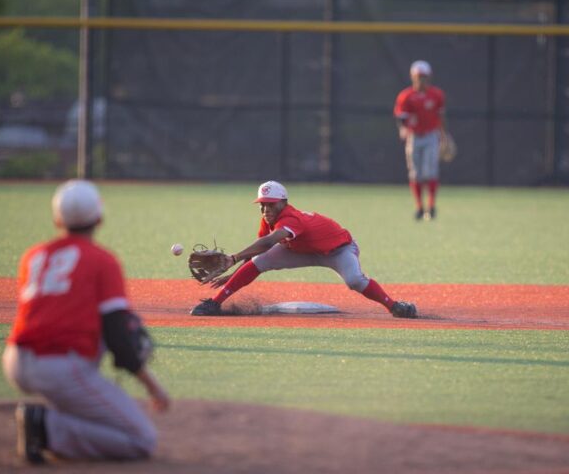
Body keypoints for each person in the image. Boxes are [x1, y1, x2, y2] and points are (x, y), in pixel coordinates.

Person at [2, 179, 170, 464]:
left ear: (57, 219)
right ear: (99, 217)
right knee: (142, 440)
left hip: (15, 359)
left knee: (92, 322)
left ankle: (57, 415)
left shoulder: (33, 256)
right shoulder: (102, 260)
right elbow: (118, 337)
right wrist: (153, 386)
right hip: (60, 367)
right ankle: (46, 427)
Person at [190, 180, 418, 318]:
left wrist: (233, 257)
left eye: (271, 204)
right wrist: (235, 268)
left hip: (338, 250)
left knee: (355, 281)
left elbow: (270, 242)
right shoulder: (268, 219)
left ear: (283, 203)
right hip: (299, 249)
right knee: (260, 263)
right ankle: (214, 303)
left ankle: (394, 306)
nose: (266, 209)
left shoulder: (292, 218)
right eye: (262, 204)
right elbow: (260, 251)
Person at [394, 60, 449, 221]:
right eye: (418, 76)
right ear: (413, 77)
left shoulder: (437, 94)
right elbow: (401, 117)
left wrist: (444, 134)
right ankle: (419, 207)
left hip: (431, 136)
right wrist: (403, 129)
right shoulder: (406, 96)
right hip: (414, 137)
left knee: (430, 172)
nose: (421, 80)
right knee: (415, 174)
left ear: (429, 77)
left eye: (423, 77)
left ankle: (431, 207)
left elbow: (441, 115)